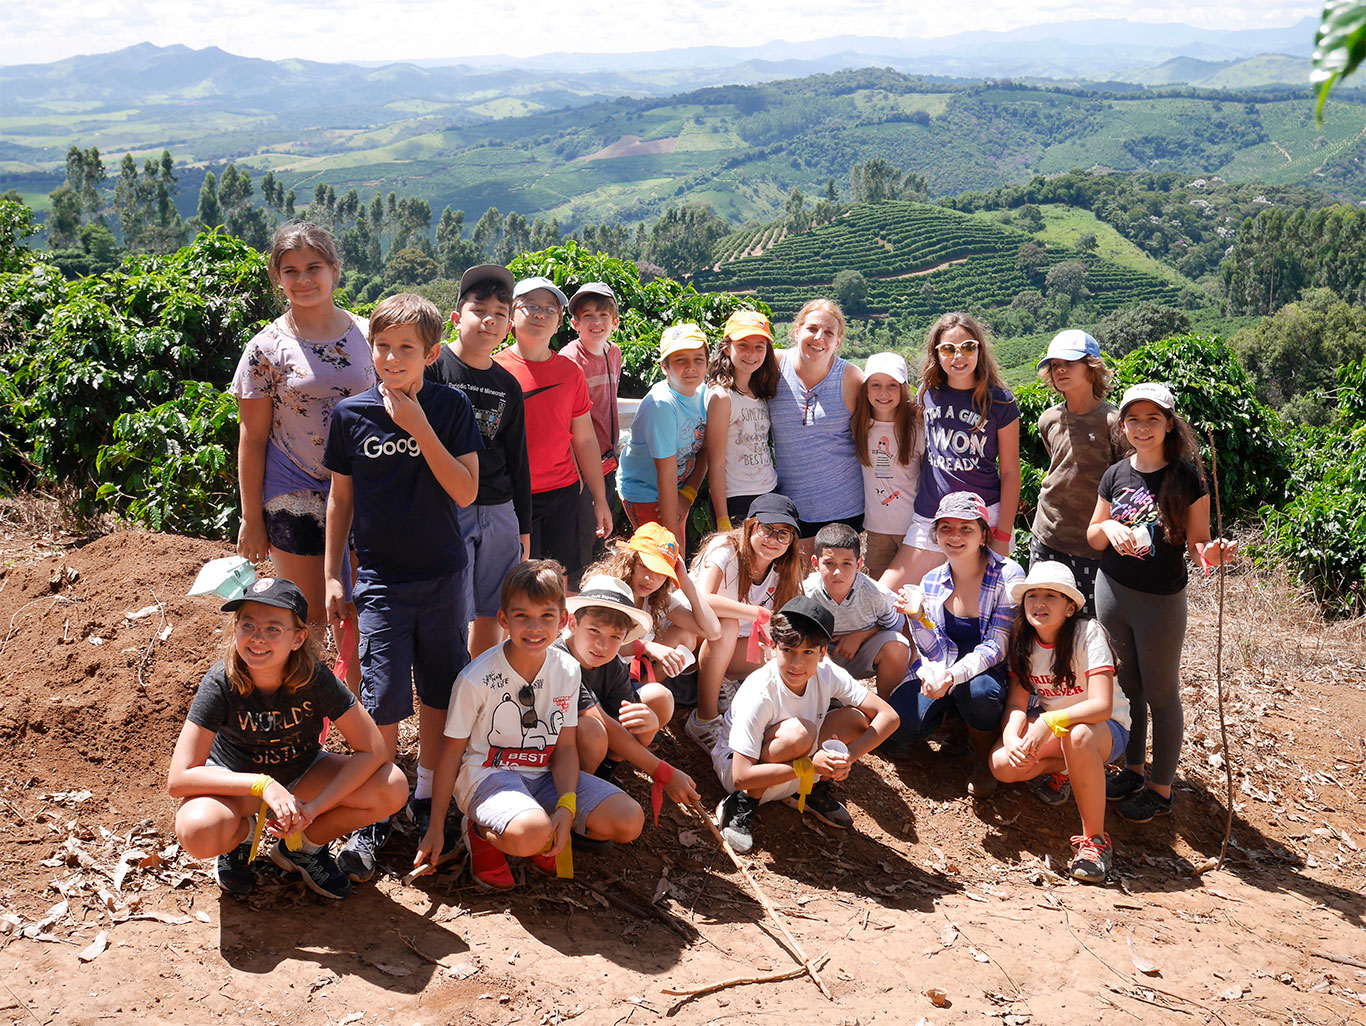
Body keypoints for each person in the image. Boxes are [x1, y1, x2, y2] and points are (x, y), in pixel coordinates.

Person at [323, 293, 482, 882]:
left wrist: (418, 426)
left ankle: (425, 796)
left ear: (431, 354)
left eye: (406, 350)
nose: (392, 359)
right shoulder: (351, 415)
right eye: (383, 347)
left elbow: (465, 490)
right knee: (382, 695)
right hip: (382, 580)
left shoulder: (450, 406)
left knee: (439, 693)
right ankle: (373, 811)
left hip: (443, 576)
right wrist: (334, 574)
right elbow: (341, 498)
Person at [169, 578, 407, 899]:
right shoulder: (222, 680)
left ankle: (304, 848)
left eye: (273, 629)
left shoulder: (315, 678)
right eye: (248, 625)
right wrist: (262, 785)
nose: (257, 638)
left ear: (298, 639)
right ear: (235, 628)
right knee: (198, 829)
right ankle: (241, 838)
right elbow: (179, 778)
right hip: (240, 787)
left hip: (301, 778)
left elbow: (373, 750)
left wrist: (313, 810)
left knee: (391, 785)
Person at [414, 561, 645, 890]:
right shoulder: (476, 678)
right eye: (522, 616)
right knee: (532, 834)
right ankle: (480, 831)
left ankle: (537, 827)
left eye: (547, 616)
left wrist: (567, 804)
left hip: (544, 775)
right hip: (488, 774)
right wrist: (435, 826)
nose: (535, 628)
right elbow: (450, 753)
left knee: (629, 820)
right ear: (504, 620)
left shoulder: (566, 669)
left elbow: (565, 747)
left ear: (563, 620)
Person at [1087, 383, 1237, 823]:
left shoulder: (1187, 478)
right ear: (1123, 425)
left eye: (1152, 419)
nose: (1142, 428)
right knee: (1125, 686)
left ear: (1169, 424)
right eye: (1133, 419)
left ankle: (1161, 787)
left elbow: (1198, 545)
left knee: (1161, 693)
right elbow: (1093, 534)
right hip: (1112, 589)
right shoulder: (1115, 474)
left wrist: (1214, 554)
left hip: (1160, 601)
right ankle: (1132, 769)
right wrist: (1110, 530)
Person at [230, 222, 369, 693]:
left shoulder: (370, 335)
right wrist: (251, 518)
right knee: (306, 613)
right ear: (276, 277)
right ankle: (308, 708)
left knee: (361, 603)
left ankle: (360, 709)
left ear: (334, 270)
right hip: (294, 490)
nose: (303, 279)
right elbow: (252, 439)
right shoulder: (264, 350)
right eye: (290, 270)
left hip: (365, 487)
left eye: (314, 267)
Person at [712, 597, 900, 853]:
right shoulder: (759, 692)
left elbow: (889, 717)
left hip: (795, 765)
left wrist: (847, 758)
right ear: (773, 647)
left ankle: (811, 788)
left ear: (823, 653)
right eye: (788, 650)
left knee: (854, 720)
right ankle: (743, 804)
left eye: (808, 652)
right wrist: (809, 766)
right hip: (744, 771)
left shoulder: (827, 673)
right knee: (801, 734)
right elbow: (741, 775)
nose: (797, 664)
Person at [988, 562, 1129, 884]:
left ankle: (1095, 842)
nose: (1039, 603)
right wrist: (1013, 739)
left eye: (1051, 596)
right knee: (1003, 764)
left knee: (1079, 737)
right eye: (1032, 595)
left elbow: (1102, 706)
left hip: (1105, 729)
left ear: (1069, 607)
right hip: (1058, 728)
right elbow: (1016, 703)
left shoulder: (1087, 633)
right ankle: (1068, 770)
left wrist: (1049, 721)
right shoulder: (1024, 640)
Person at [889, 491, 1025, 797]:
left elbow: (998, 645)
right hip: (946, 669)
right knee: (903, 723)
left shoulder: (1008, 575)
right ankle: (958, 726)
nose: (955, 536)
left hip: (991, 675)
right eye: (946, 527)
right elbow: (932, 646)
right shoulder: (932, 581)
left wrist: (952, 677)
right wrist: (919, 617)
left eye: (966, 528)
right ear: (936, 535)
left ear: (983, 536)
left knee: (977, 692)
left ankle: (984, 757)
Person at [426, 264, 531, 658]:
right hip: (448, 505)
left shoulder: (508, 385)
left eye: (500, 314)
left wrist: (522, 524)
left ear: (508, 327)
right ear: (456, 317)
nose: (489, 319)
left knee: (492, 607)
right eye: (479, 309)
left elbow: (518, 458)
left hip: (499, 508)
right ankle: (446, 687)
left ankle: (477, 682)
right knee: (450, 604)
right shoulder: (433, 369)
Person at [881, 313, 1020, 591]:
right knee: (886, 596)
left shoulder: (1000, 402)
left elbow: (1010, 472)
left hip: (983, 519)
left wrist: (1002, 533)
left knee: (975, 603)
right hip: (932, 516)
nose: (959, 356)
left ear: (979, 349)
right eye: (948, 349)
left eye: (968, 347)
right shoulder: (927, 393)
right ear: (937, 353)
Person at [495, 276, 612, 582]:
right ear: (511, 314)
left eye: (549, 309)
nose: (539, 314)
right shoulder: (494, 371)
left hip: (564, 495)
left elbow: (585, 439)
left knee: (563, 580)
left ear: (560, 322)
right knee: (518, 584)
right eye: (530, 306)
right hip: (512, 498)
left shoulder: (570, 372)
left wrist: (599, 498)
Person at [553, 575, 702, 812]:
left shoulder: (611, 663)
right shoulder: (559, 660)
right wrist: (663, 772)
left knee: (652, 705)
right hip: (548, 753)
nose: (603, 645)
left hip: (592, 739)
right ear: (572, 624)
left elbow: (626, 721)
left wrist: (650, 726)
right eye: (594, 631)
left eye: (615, 637)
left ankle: (602, 772)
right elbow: (601, 722)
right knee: (593, 731)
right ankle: (570, 799)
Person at [684, 493, 806, 752]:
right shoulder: (725, 550)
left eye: (783, 534)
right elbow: (703, 598)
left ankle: (736, 694)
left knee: (783, 657)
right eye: (767, 530)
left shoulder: (784, 570)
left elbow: (785, 623)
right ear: (751, 525)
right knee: (725, 625)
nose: (773, 540)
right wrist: (758, 614)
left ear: (791, 541)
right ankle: (703, 719)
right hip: (692, 637)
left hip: (732, 647)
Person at [1030, 330, 1124, 616]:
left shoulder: (1114, 423)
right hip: (1047, 536)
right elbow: (1058, 466)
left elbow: (1126, 483)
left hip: (1092, 546)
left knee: (1088, 624)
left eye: (1069, 363)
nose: (1060, 370)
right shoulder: (1049, 419)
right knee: (1044, 621)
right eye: (1054, 364)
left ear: (1092, 367)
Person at [768, 299, 864, 560]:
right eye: (812, 329)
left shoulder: (851, 378)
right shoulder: (774, 366)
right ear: (797, 330)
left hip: (845, 509)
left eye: (829, 333)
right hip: (792, 511)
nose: (819, 337)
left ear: (838, 341)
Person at [583, 522, 722, 682]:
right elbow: (594, 643)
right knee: (661, 697)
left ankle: (640, 689)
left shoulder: (657, 598)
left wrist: (684, 581)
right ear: (630, 560)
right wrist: (645, 647)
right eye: (644, 566)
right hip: (593, 669)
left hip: (624, 673)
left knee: (686, 636)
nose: (650, 579)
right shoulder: (608, 588)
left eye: (661, 573)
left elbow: (713, 631)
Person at [617, 323, 710, 553]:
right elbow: (665, 472)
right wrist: (671, 541)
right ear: (665, 367)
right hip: (646, 491)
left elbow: (707, 450)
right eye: (680, 360)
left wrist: (687, 496)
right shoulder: (662, 405)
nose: (691, 368)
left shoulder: (705, 395)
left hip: (677, 488)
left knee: (669, 557)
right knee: (660, 557)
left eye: (698, 359)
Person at [802, 522, 910, 700]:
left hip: (861, 654)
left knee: (897, 646)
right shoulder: (807, 593)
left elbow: (894, 625)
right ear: (815, 563)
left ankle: (886, 706)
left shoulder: (874, 593)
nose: (838, 572)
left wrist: (861, 636)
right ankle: (820, 705)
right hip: (821, 658)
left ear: (859, 564)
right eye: (829, 563)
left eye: (846, 563)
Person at [563, 282, 624, 572]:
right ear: (575, 323)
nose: (596, 322)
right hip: (581, 468)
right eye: (587, 315)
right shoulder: (570, 360)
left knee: (604, 535)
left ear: (615, 321)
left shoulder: (614, 354)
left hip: (608, 464)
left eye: (603, 315)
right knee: (582, 541)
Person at [705, 309, 780, 531]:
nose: (752, 353)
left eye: (760, 346)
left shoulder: (760, 392)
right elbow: (715, 463)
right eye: (743, 345)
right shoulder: (722, 396)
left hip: (769, 490)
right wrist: (722, 519)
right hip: (736, 498)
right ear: (727, 348)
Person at [852, 351, 923, 579]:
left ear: (903, 389)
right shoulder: (859, 426)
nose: (883, 393)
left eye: (892, 385)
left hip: (912, 527)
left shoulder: (915, 429)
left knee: (911, 591)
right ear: (865, 389)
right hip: (877, 528)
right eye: (875, 385)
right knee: (879, 591)